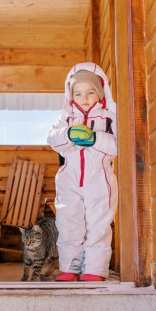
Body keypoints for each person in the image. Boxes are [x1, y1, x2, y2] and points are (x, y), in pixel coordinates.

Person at [47, 62, 118, 282]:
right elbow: (52, 140)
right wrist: (68, 134)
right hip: (69, 179)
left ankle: (94, 271)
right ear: (70, 95)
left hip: (100, 178)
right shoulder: (66, 117)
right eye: (78, 93)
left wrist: (95, 138)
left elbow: (119, 146)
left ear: (100, 92)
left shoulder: (108, 117)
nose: (84, 98)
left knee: (98, 224)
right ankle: (70, 268)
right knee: (69, 223)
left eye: (90, 92)